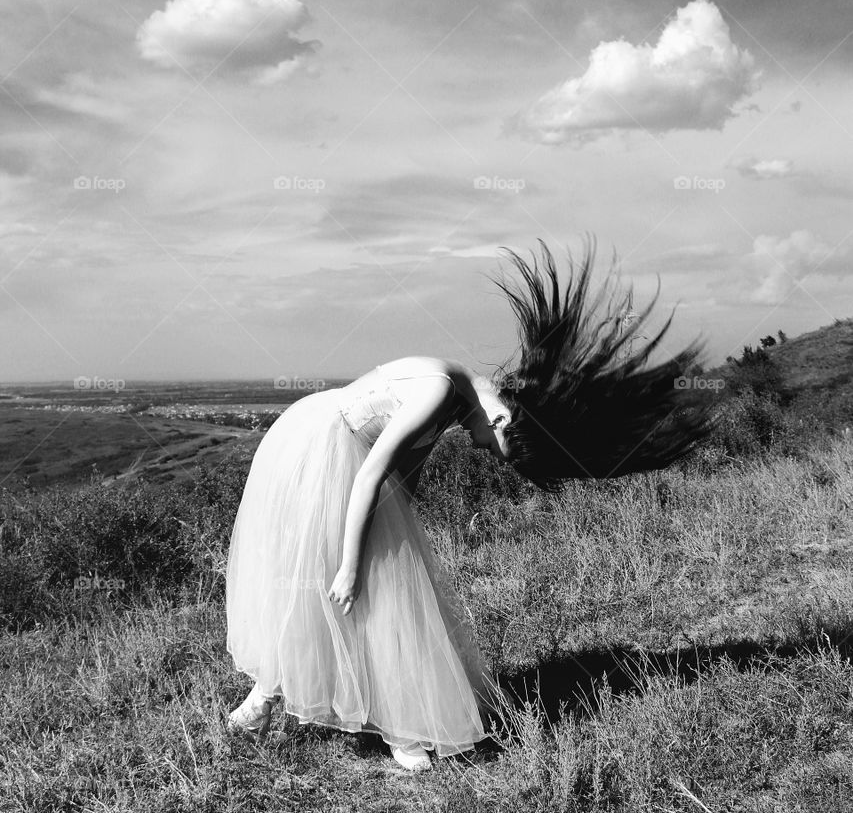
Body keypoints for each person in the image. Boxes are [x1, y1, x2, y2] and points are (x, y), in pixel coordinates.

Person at [225, 237, 714, 771]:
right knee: (325, 578)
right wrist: (351, 565)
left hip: (350, 461)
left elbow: (401, 479)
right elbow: (370, 474)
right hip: (322, 450)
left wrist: (394, 546)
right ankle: (300, 704)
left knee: (382, 586)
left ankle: (328, 711)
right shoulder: (439, 389)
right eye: (497, 447)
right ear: (502, 419)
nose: (485, 450)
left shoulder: (458, 400)